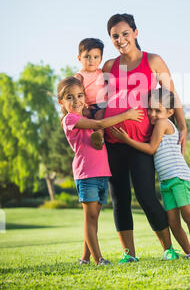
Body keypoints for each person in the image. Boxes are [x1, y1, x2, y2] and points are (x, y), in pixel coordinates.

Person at [102, 13, 188, 263]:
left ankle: (168, 249)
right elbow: (98, 99)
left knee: (146, 195)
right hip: (114, 142)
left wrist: (182, 126)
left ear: (136, 32)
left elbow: (172, 95)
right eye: (115, 36)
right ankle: (129, 254)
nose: (121, 39)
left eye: (125, 33)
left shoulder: (153, 61)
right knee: (120, 198)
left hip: (142, 142)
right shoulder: (109, 67)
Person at [57, 76, 144, 266]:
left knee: (94, 218)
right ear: (61, 102)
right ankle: (98, 260)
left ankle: (85, 258)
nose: (76, 100)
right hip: (86, 174)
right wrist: (127, 115)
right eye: (70, 98)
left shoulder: (84, 116)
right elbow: (98, 125)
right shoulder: (70, 119)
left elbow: (97, 126)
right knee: (90, 217)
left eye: (80, 95)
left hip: (102, 174)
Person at [111, 88, 190, 258]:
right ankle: (189, 253)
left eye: (157, 110)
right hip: (167, 182)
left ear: (170, 112)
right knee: (173, 222)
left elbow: (151, 148)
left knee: (188, 216)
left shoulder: (162, 124)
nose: (152, 114)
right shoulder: (158, 123)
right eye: (150, 109)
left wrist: (127, 140)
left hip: (179, 178)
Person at [74, 38, 107, 150]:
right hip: (92, 106)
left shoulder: (102, 72)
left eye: (95, 57)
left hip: (106, 104)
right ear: (79, 58)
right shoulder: (79, 76)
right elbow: (76, 95)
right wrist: (84, 108)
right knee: (97, 117)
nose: (91, 60)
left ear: (101, 59)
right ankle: (99, 140)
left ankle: (99, 136)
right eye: (87, 57)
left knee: (100, 116)